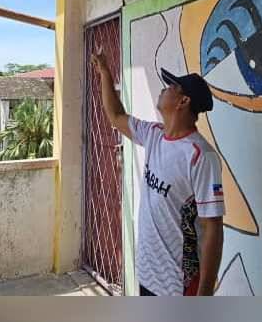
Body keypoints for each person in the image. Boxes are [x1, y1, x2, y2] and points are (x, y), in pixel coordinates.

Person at [91, 51, 225, 296]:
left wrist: (204, 292)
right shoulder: (154, 134)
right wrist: (105, 72)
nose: (164, 88)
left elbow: (212, 227)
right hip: (147, 275)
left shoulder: (200, 156)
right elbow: (116, 116)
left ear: (183, 101)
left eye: (171, 86)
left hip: (178, 286)